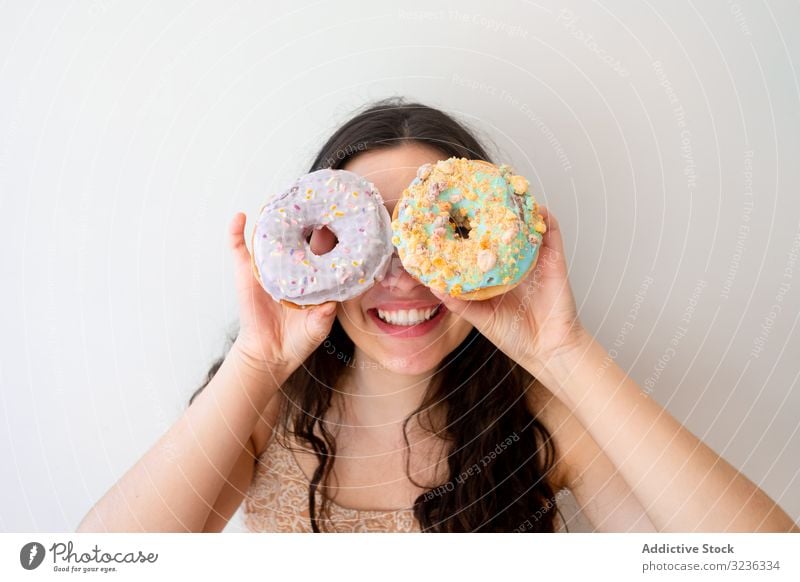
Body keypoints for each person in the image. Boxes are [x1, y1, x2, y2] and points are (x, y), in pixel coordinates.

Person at [77, 98, 799, 533]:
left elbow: (755, 562)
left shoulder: (541, 414)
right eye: (370, 237)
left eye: (432, 235)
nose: (400, 275)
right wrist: (256, 363)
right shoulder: (265, 407)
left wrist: (565, 353)